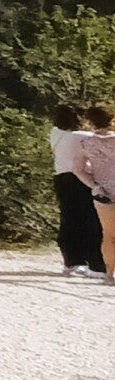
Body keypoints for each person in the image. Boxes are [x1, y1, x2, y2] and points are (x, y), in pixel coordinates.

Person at [49, 105, 104, 276]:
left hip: (62, 178)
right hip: (82, 179)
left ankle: (72, 260)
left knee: (69, 218)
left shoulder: (56, 134)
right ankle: (94, 261)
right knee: (91, 220)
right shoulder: (84, 136)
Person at [71, 105, 115, 285]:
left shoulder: (85, 144)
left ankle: (110, 273)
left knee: (109, 234)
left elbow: (78, 170)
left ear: (90, 122)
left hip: (103, 192)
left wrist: (94, 185)